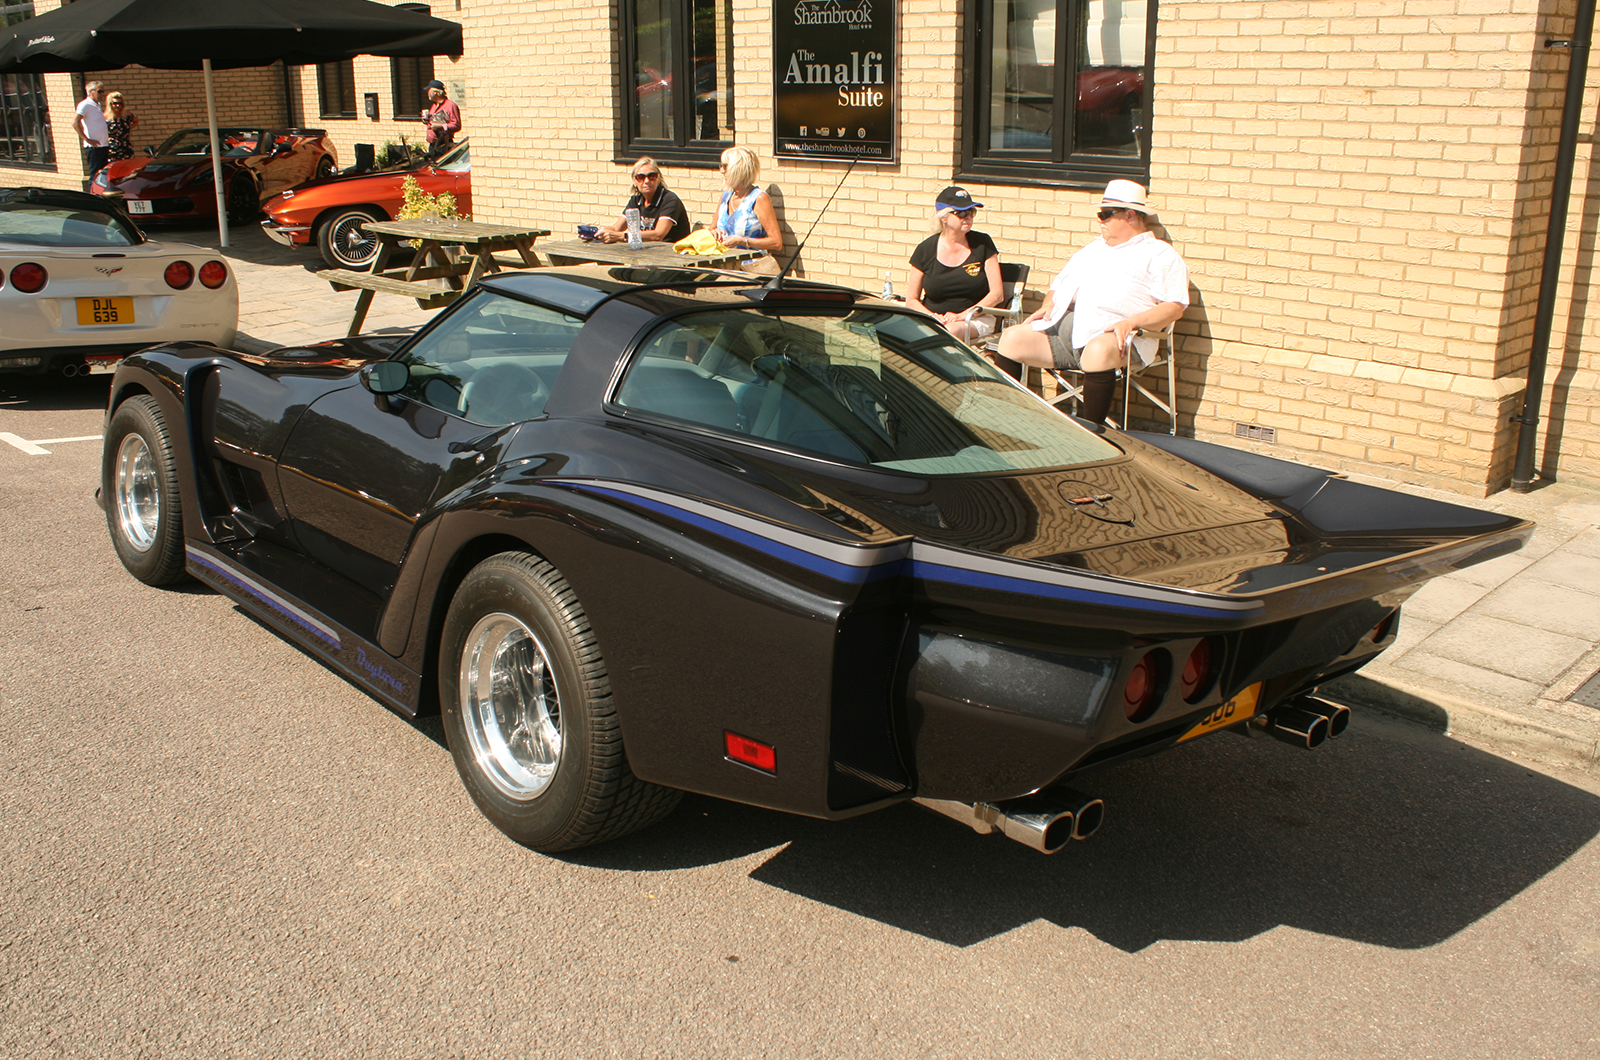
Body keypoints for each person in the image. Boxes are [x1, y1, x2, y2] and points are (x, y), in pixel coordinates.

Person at [995, 180, 1188, 427]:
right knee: (1012, 338)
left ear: (1130, 216)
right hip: (1068, 330)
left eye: (1106, 215)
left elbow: (1174, 307)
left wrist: (1131, 322)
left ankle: (1092, 433)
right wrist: (1049, 303)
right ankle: (1000, 420)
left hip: (1119, 336)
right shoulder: (1092, 249)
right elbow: (1058, 284)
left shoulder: (1159, 254)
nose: (1099, 220)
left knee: (1097, 350)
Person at [905, 186, 1004, 345]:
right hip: (934, 319)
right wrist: (932, 316)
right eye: (961, 213)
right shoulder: (925, 249)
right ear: (943, 217)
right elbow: (911, 300)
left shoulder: (982, 244)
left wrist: (961, 316)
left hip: (973, 319)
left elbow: (997, 294)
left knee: (949, 332)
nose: (968, 217)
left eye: (971, 212)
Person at [711, 145, 783, 273]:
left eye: (725, 166)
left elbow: (776, 243)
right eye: (720, 165)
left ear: (738, 169)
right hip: (723, 267)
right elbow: (711, 228)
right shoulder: (726, 196)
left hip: (751, 269)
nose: (721, 170)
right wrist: (713, 233)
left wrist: (744, 241)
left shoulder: (758, 198)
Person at [596, 157, 689, 244]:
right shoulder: (636, 200)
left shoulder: (669, 199)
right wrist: (600, 232)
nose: (646, 181)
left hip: (670, 255)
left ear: (658, 179)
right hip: (646, 251)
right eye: (641, 177)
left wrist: (622, 236)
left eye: (652, 176)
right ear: (634, 181)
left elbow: (658, 235)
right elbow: (616, 228)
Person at [74, 81, 110, 178]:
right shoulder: (85, 105)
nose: (102, 94)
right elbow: (75, 122)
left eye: (103, 91)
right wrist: (86, 139)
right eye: (99, 91)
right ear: (91, 92)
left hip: (103, 145)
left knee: (103, 175)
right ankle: (92, 193)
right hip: (94, 148)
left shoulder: (97, 105)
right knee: (95, 175)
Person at [420, 79, 461, 160]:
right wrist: (427, 121)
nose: (427, 93)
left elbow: (456, 125)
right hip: (433, 145)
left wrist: (442, 126)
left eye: (429, 90)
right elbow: (433, 122)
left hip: (444, 145)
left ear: (435, 92)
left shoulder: (450, 105)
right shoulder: (434, 105)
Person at [103, 91, 140, 163]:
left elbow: (136, 121)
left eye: (120, 103)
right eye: (115, 103)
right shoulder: (105, 116)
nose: (117, 106)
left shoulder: (126, 114)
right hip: (112, 148)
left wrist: (128, 127)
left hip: (125, 146)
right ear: (110, 104)